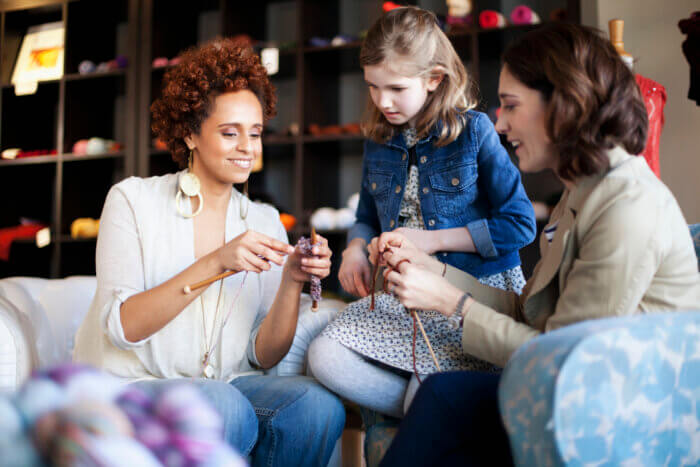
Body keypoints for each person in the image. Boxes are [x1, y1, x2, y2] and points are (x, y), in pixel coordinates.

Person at [375, 23, 700, 466]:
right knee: (442, 397)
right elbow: (527, 309)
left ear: (565, 106)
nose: (499, 122)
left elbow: (565, 357)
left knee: (444, 398)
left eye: (510, 105)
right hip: (588, 388)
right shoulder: (583, 190)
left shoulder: (627, 204)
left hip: (626, 411)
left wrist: (451, 303)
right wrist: (437, 272)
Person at [73, 38, 345, 467]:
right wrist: (217, 261)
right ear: (189, 133)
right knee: (222, 405)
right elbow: (122, 326)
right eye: (229, 132)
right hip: (132, 386)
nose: (247, 148)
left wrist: (293, 280)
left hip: (224, 385)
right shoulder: (132, 201)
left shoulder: (264, 220)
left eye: (254, 133)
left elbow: (263, 354)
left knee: (314, 407)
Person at [308, 5, 535, 425]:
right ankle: (441, 414)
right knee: (323, 357)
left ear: (434, 79)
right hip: (408, 295)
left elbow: (520, 225)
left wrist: (430, 241)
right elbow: (365, 216)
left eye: (395, 87)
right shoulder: (379, 139)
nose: (382, 101)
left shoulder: (475, 131)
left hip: (470, 296)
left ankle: (433, 408)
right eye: (373, 87)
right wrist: (356, 247)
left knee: (425, 392)